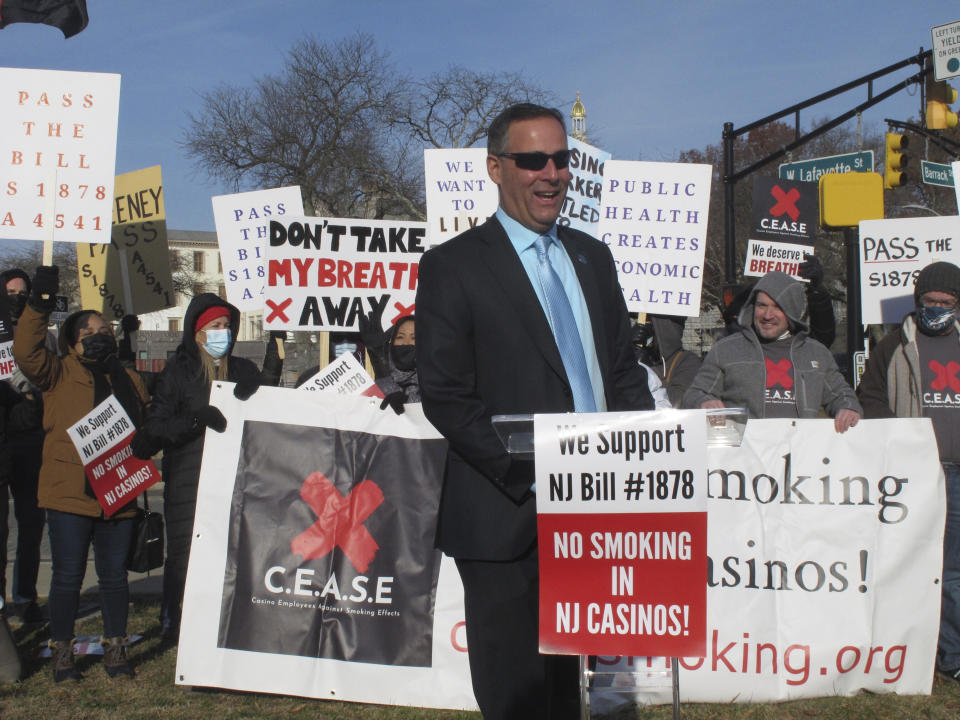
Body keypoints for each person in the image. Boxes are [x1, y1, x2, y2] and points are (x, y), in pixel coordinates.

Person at [416, 103, 653, 719]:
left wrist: (647, 457)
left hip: (592, 508)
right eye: (532, 160)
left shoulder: (592, 258)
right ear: (496, 168)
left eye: (561, 159)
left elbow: (621, 373)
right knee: (517, 693)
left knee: (568, 691)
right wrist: (531, 469)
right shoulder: (454, 265)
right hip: (505, 512)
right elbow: (446, 393)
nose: (551, 174)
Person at [12, 266, 149, 681]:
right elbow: (27, 351)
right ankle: (62, 651)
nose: (98, 333)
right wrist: (39, 305)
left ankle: (115, 648)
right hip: (70, 492)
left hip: (118, 489)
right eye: (88, 330)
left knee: (113, 576)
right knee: (68, 576)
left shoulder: (125, 376)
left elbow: (147, 416)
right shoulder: (56, 372)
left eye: (103, 327)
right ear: (72, 342)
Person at [133, 294, 282, 641]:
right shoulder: (178, 371)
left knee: (229, 551)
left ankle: (221, 621)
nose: (223, 333)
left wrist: (269, 371)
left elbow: (269, 410)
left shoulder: (243, 368)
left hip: (235, 476)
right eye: (216, 326)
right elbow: (155, 430)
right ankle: (174, 620)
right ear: (198, 333)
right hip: (188, 478)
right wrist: (195, 419)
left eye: (227, 326)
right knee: (184, 554)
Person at [856, 260, 960, 680]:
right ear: (917, 302)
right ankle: (910, 651)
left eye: (945, 302)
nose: (936, 308)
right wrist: (902, 437)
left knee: (953, 570)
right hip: (916, 475)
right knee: (913, 564)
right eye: (929, 301)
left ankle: (951, 656)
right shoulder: (894, 346)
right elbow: (870, 396)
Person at [683, 270, 861, 433]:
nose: (768, 315)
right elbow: (695, 394)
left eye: (777, 307)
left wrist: (848, 407)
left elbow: (841, 394)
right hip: (743, 457)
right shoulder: (726, 350)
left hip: (802, 455)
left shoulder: (816, 353)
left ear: (791, 311)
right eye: (762, 306)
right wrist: (703, 402)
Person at [0, 268, 48, 623]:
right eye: (10, 291)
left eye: (23, 291)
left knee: (31, 524)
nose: (17, 296)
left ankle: (26, 599)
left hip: (33, 438)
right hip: (2, 440)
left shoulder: (42, 334)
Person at [633, 314, 701, 407]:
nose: (644, 329)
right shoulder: (634, 356)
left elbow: (675, 403)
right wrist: (629, 354)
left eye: (649, 323)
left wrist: (643, 371)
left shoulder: (688, 361)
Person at [359, 310, 418, 413]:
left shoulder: (438, 382)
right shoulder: (367, 381)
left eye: (414, 338)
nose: (406, 343)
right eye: (400, 337)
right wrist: (379, 361)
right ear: (391, 342)